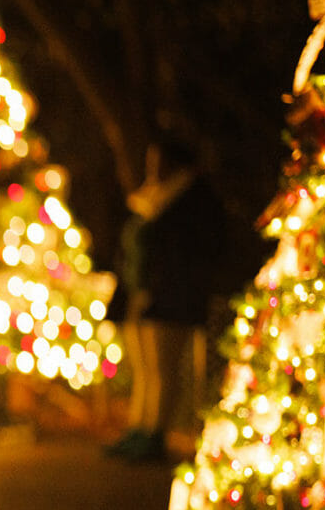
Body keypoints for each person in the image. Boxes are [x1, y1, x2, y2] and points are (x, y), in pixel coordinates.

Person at [104, 139, 246, 462]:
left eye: (160, 161)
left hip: (170, 298)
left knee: (162, 369)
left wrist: (158, 285)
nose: (154, 168)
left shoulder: (190, 200)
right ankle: (139, 429)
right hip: (139, 295)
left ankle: (153, 435)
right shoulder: (151, 198)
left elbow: (187, 251)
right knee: (146, 369)